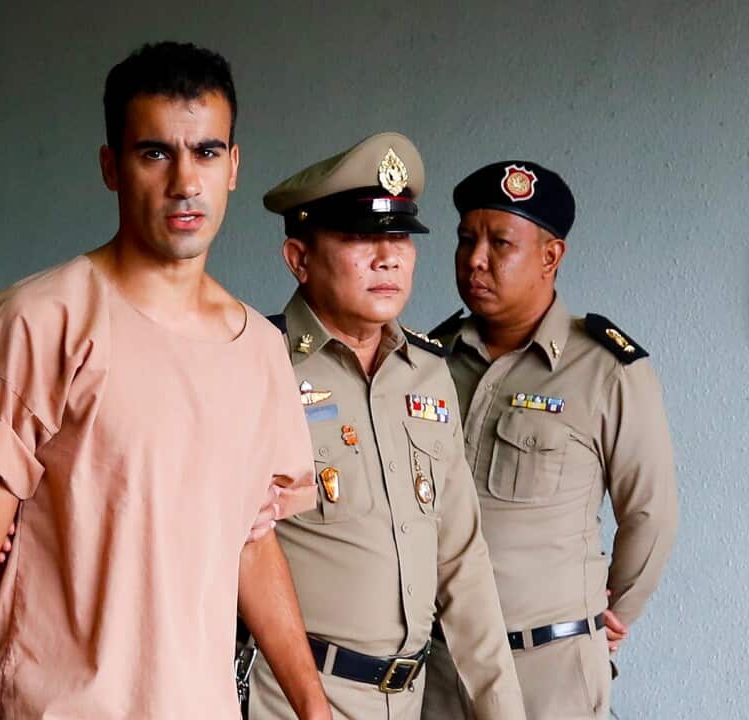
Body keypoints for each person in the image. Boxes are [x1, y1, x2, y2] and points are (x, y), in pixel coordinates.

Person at [0, 42, 331, 720]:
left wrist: (312, 705)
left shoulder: (262, 351)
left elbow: (251, 541)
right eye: (155, 153)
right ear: (111, 167)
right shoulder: (39, 320)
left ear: (233, 167)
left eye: (206, 153)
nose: (185, 181)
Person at [246, 132, 525, 720]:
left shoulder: (427, 372)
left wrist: (502, 708)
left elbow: (462, 559)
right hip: (290, 699)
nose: (387, 257)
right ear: (299, 258)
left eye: (398, 236)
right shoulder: (255, 364)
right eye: (358, 237)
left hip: (409, 698)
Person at [420, 161, 678, 720]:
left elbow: (650, 515)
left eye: (500, 243)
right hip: (440, 668)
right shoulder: (426, 362)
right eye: (466, 240)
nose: (475, 260)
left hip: (548, 669)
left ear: (550, 256)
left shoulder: (606, 369)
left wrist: (612, 617)